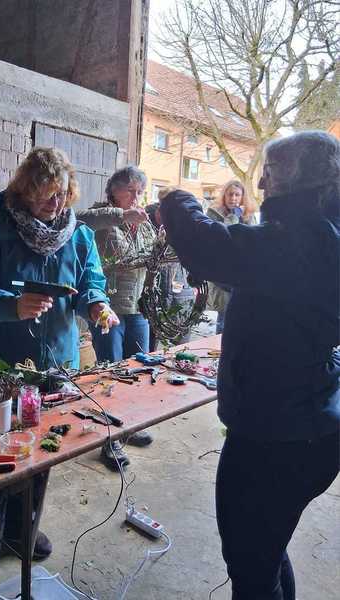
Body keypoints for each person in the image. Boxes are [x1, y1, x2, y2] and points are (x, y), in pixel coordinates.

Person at [159, 131, 340, 600]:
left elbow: (206, 245)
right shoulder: (322, 235)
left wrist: (175, 198)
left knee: (250, 564)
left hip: (276, 437)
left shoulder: (302, 240)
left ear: (301, 179)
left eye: (271, 171)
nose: (260, 182)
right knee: (266, 550)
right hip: (302, 422)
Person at [0, 147, 118, 597]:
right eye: (46, 193)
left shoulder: (79, 236)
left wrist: (98, 306)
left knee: (41, 454)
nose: (56, 203)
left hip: (55, 367)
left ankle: (20, 531)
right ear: (25, 190)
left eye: (62, 194)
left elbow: (91, 283)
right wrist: (12, 305)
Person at [76, 166, 156, 470]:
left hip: (137, 308)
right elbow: (80, 219)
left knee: (138, 370)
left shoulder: (144, 225)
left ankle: (129, 426)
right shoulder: (101, 216)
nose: (136, 197)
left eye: (140, 192)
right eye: (130, 190)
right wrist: (122, 216)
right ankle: (109, 440)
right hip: (107, 307)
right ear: (114, 190)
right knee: (110, 373)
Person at [206, 180, 256, 333]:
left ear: (242, 197)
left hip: (244, 275)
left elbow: (254, 243)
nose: (233, 198)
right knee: (224, 321)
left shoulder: (249, 216)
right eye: (230, 194)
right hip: (223, 276)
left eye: (237, 195)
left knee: (243, 320)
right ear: (224, 196)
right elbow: (225, 239)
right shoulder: (214, 214)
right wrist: (234, 217)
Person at [145, 198, 195, 350]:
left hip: (181, 292)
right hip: (153, 292)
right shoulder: (146, 223)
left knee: (181, 347)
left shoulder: (185, 228)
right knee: (149, 346)